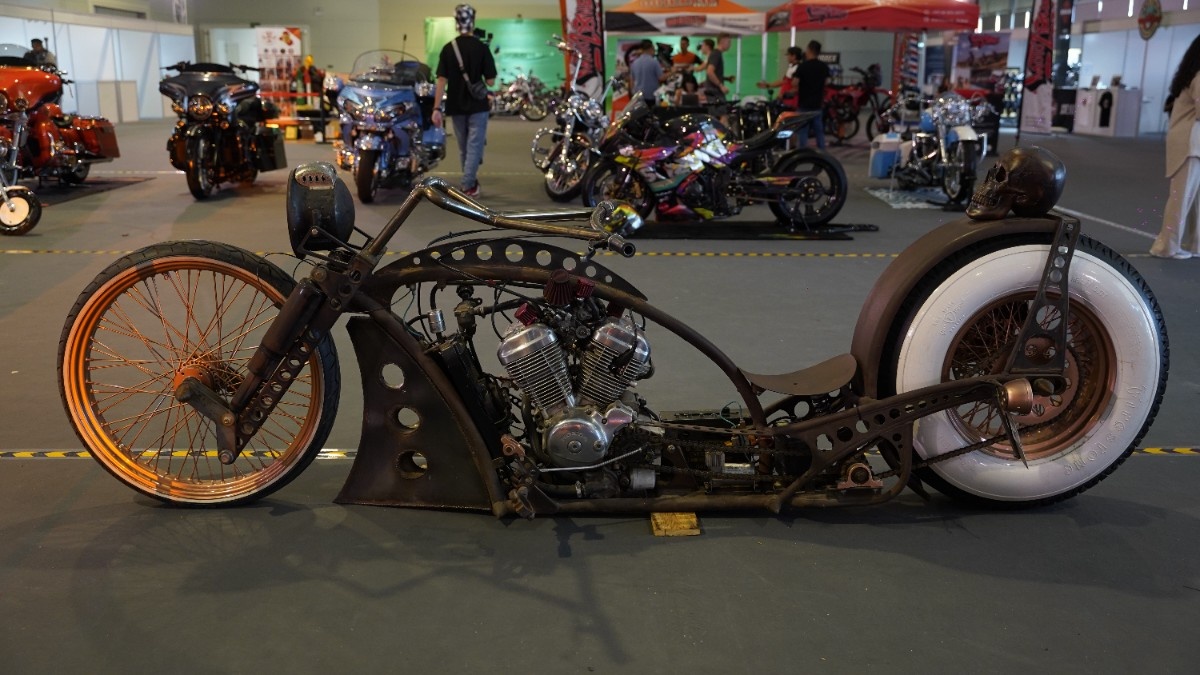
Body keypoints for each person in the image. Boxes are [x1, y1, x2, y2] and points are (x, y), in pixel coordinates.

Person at [432, 3, 496, 197]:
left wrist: (436, 108)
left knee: (464, 148)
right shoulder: (482, 48)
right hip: (478, 106)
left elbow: (441, 80)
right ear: (473, 22)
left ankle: (471, 181)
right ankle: (467, 186)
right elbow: (491, 81)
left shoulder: (448, 48)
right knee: (475, 146)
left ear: (456, 23)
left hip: (456, 105)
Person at [1152, 35, 1200, 259]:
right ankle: (1167, 247)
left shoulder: (1191, 75)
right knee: (1181, 197)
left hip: (1191, 143)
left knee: (1193, 198)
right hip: (1189, 144)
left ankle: (1195, 245)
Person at [794, 40, 830, 150]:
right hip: (817, 104)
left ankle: (802, 152)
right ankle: (822, 152)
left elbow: (795, 83)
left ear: (809, 50)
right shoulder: (823, 66)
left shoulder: (802, 66)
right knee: (819, 131)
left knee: (803, 131)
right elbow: (826, 82)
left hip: (804, 103)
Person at [630, 39, 666, 107]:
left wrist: (633, 94)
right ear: (651, 48)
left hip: (638, 96)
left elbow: (632, 81)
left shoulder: (635, 63)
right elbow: (661, 78)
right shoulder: (654, 62)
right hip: (651, 96)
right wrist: (672, 72)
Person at [696, 35, 731, 102]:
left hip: (714, 90)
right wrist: (721, 86)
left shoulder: (716, 54)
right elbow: (710, 72)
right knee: (721, 108)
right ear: (722, 41)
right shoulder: (716, 54)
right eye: (728, 42)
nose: (730, 45)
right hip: (714, 91)